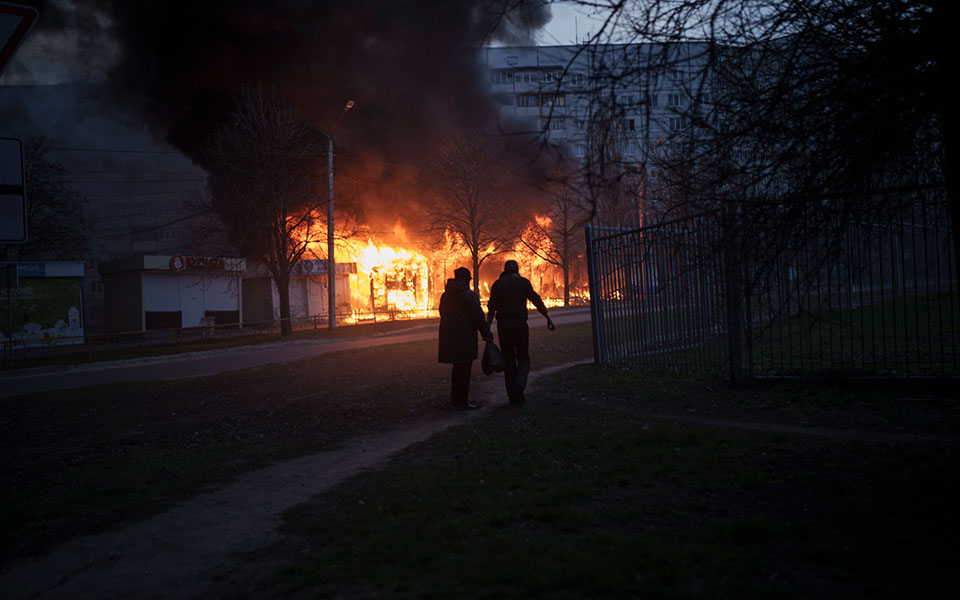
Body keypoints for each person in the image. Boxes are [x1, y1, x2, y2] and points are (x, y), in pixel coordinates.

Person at [486, 260, 555, 405]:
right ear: (517, 269)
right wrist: (547, 317)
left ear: (504, 269)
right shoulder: (523, 282)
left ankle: (512, 395)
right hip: (520, 324)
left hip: (504, 325)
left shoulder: (498, 284)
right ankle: (519, 384)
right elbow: (535, 300)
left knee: (508, 360)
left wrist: (487, 327)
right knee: (523, 358)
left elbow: (491, 307)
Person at [438, 267, 493, 409]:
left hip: (450, 337)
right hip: (465, 337)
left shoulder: (446, 296)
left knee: (457, 369)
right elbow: (478, 318)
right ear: (466, 280)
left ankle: (455, 399)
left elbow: (442, 313)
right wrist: (486, 333)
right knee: (464, 369)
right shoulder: (469, 296)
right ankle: (462, 401)